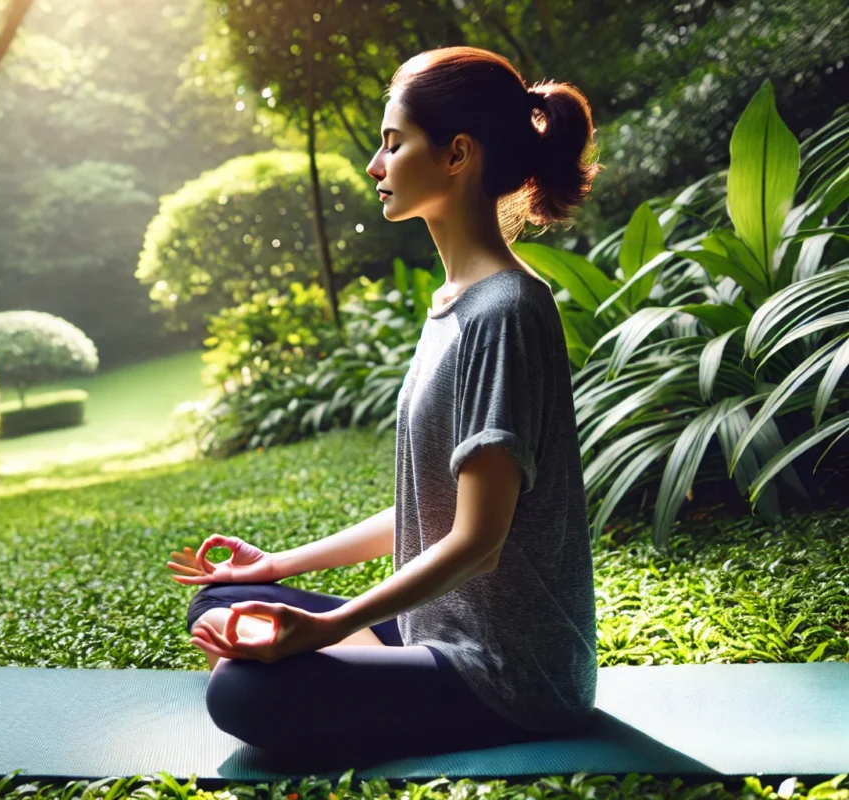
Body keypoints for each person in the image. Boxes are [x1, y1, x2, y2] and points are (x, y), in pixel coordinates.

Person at [165, 46, 602, 768]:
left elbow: (478, 542)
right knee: (219, 606)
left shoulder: (506, 313)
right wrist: (272, 565)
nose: (375, 164)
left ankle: (344, 665)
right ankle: (354, 663)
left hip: (511, 675)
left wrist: (330, 627)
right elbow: (432, 510)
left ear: (456, 155)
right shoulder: (454, 307)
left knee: (242, 695)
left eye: (394, 144)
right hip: (435, 631)